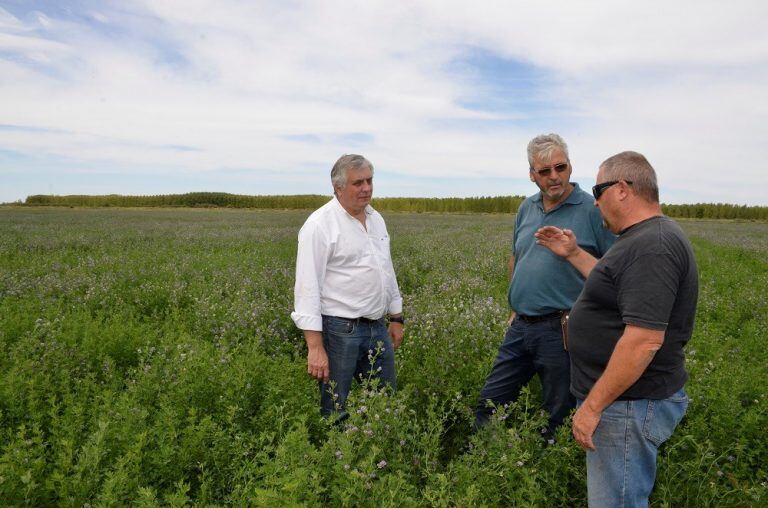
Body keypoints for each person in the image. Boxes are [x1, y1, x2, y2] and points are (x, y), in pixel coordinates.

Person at [535, 151, 698, 507]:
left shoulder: (652, 246)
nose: (595, 202)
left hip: (626, 406)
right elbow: (615, 287)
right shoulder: (641, 239)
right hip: (622, 402)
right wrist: (574, 253)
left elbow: (643, 341)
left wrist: (593, 408)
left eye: (599, 190)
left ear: (622, 188)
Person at [474, 134, 615, 437]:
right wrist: (514, 307)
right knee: (491, 400)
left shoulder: (593, 210)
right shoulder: (527, 208)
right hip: (521, 326)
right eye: (544, 171)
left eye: (560, 167)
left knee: (559, 410)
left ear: (570, 166)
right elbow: (517, 257)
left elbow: (614, 271)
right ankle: (478, 461)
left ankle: (550, 469)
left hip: (564, 328)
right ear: (532, 175)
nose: (555, 177)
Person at [291, 154, 404, 419]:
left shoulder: (376, 219)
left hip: (377, 327)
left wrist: (396, 317)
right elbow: (307, 288)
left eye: (369, 180)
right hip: (340, 330)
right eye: (358, 183)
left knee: (384, 401)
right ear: (338, 187)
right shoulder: (319, 225)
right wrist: (315, 347)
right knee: (335, 406)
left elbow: (386, 270)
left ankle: (379, 454)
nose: (366, 188)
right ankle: (335, 454)